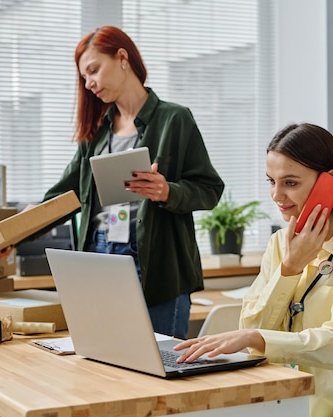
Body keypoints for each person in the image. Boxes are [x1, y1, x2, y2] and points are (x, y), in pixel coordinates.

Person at [175, 123, 333, 417]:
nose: (276, 194)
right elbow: (253, 328)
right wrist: (289, 268)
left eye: (290, 182)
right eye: (271, 181)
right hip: (282, 404)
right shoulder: (278, 245)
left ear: (329, 182)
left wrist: (257, 339)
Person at [42, 26, 224, 339]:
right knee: (105, 367)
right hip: (99, 259)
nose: (89, 84)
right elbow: (61, 196)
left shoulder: (174, 119)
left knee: (157, 369)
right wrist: (11, 238)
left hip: (156, 265)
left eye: (94, 71)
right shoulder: (97, 132)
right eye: (85, 78)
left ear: (122, 58)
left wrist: (167, 191)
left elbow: (209, 189)